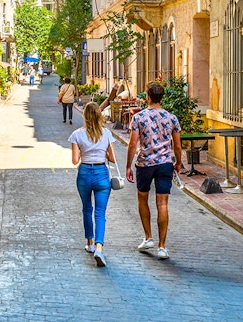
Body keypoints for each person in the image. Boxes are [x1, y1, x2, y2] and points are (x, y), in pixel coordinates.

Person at [126, 81, 182, 260]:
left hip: (145, 164)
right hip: (165, 163)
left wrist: (128, 165)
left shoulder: (139, 117)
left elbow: (133, 143)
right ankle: (162, 247)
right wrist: (178, 163)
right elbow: (178, 146)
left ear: (148, 97)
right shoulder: (171, 117)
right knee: (162, 203)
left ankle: (148, 237)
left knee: (143, 199)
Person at [69, 102, 116, 268]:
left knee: (87, 209)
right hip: (101, 174)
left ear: (85, 116)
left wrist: (84, 151)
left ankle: (89, 243)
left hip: (84, 174)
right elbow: (113, 159)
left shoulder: (77, 135)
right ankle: (99, 247)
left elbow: (75, 160)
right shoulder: (107, 134)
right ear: (99, 116)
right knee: (100, 213)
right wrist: (101, 151)